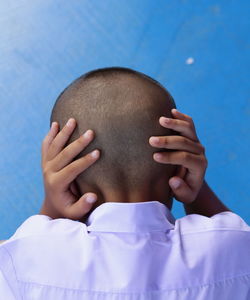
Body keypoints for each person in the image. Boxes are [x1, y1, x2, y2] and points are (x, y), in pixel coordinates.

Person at [0, 67, 249, 299]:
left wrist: (52, 208)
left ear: (70, 183)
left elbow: (18, 255)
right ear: (182, 167)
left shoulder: (22, 261)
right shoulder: (232, 247)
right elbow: (236, 241)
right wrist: (197, 191)